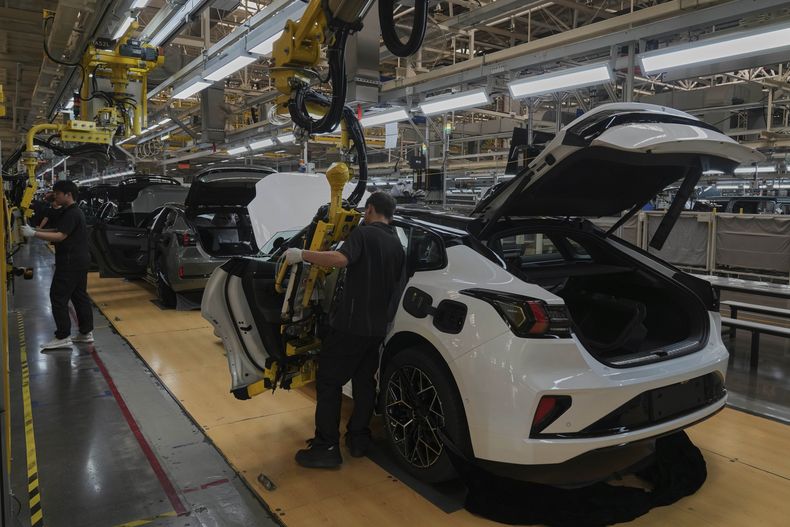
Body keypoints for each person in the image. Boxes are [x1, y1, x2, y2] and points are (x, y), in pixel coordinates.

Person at [283, 192, 405, 468]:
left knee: (328, 382)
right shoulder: (397, 244)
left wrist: (301, 254)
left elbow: (340, 260)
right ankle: (358, 439)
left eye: (365, 211)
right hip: (376, 328)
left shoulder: (365, 234)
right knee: (364, 383)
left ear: (371, 209)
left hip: (350, 325)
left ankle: (326, 446)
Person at [21, 180, 94, 350]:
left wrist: (34, 234)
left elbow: (61, 236)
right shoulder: (70, 212)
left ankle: (63, 336)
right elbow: (56, 230)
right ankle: (85, 333)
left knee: (58, 297)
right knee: (79, 296)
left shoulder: (72, 213)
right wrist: (35, 231)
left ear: (68, 194)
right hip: (79, 260)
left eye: (58, 193)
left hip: (70, 262)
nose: (55, 196)